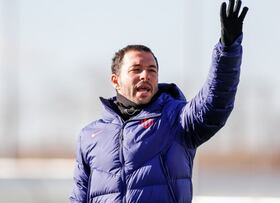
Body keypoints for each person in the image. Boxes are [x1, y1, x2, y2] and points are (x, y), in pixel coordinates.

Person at [70, 0, 248, 202]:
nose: (145, 75)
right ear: (116, 81)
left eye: (152, 70)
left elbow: (215, 102)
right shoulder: (90, 135)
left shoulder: (176, 119)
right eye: (136, 70)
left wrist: (228, 50)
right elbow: (78, 197)